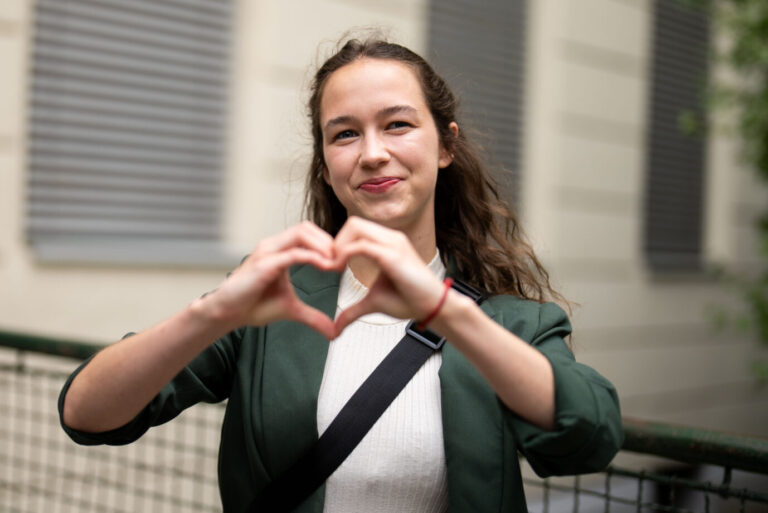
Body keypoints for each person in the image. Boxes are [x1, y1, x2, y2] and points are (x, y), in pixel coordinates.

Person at [59, 37, 623, 513]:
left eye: (397, 124)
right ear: (327, 168)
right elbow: (86, 414)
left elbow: (588, 440)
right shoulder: (277, 304)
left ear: (446, 145)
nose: (373, 153)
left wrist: (444, 307)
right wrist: (215, 310)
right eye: (345, 134)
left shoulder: (511, 323)